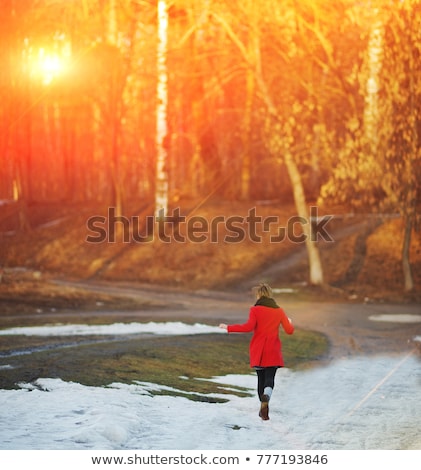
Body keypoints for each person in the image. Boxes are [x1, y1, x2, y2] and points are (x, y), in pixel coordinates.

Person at [219, 283, 294, 420]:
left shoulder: (255, 310)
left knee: (261, 378)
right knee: (270, 378)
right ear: (270, 295)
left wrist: (229, 327)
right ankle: (267, 398)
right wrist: (289, 322)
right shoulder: (279, 311)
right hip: (273, 350)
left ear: (258, 295)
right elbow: (289, 331)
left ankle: (263, 405)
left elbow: (248, 327)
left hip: (259, 350)